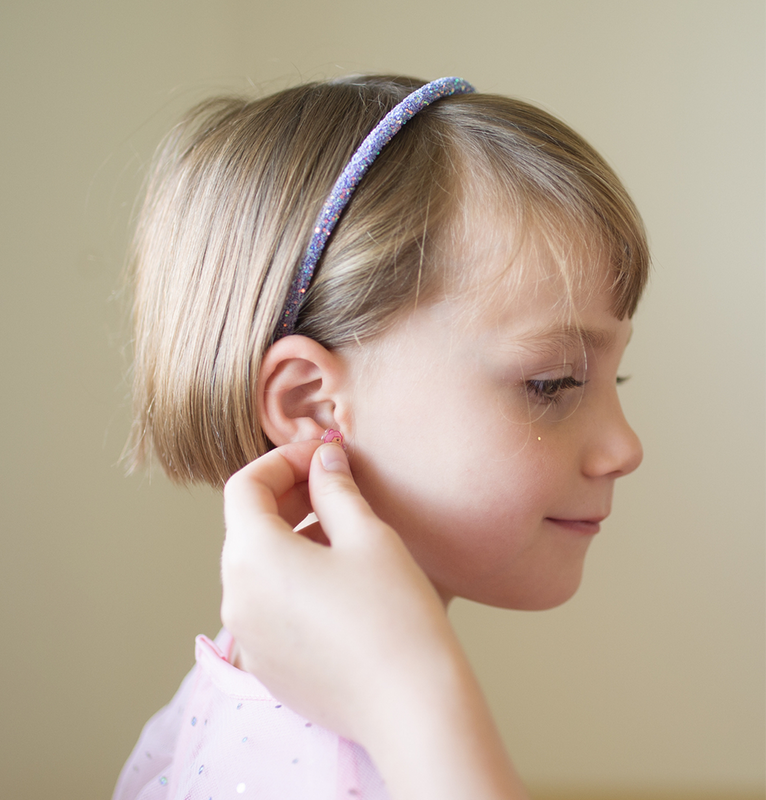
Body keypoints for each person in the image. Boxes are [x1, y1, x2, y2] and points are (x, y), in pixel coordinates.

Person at [114, 75, 648, 800]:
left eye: (614, 384)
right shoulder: (324, 775)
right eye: (551, 383)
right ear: (314, 404)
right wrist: (416, 700)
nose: (625, 449)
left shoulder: (232, 695)